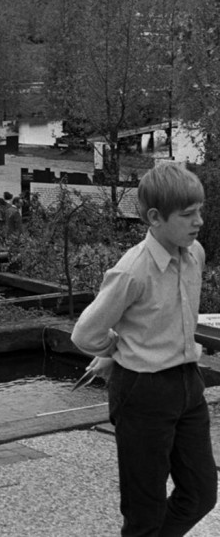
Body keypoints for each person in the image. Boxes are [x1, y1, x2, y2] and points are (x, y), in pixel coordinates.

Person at [71, 162, 216, 536]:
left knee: (201, 494)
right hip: (142, 390)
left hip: (187, 383)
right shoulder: (133, 270)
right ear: (155, 217)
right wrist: (116, 349)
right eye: (187, 214)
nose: (198, 220)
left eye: (200, 210)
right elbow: (85, 333)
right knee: (144, 510)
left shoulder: (194, 253)